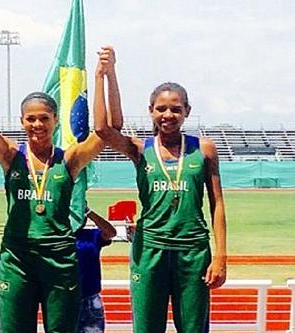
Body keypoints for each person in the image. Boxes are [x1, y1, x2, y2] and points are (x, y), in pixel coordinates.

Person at [93, 46, 227, 333]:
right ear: (150, 111)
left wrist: (220, 257)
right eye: (161, 108)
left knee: (193, 328)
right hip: (149, 250)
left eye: (176, 109)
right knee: (147, 328)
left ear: (187, 112)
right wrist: (106, 74)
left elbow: (217, 204)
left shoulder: (203, 149)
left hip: (192, 251)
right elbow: (103, 129)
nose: (168, 114)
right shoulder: (140, 149)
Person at [0, 70, 105, 331]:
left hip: (60, 260)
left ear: (55, 120)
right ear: (22, 121)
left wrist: (101, 77)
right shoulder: (11, 156)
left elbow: (105, 131)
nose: (37, 125)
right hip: (18, 259)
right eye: (31, 119)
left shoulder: (69, 160)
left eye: (44, 118)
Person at [76, 206, 117, 333]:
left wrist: (88, 212)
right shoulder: (57, 236)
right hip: (65, 299)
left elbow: (110, 233)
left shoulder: (91, 235)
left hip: (90, 299)